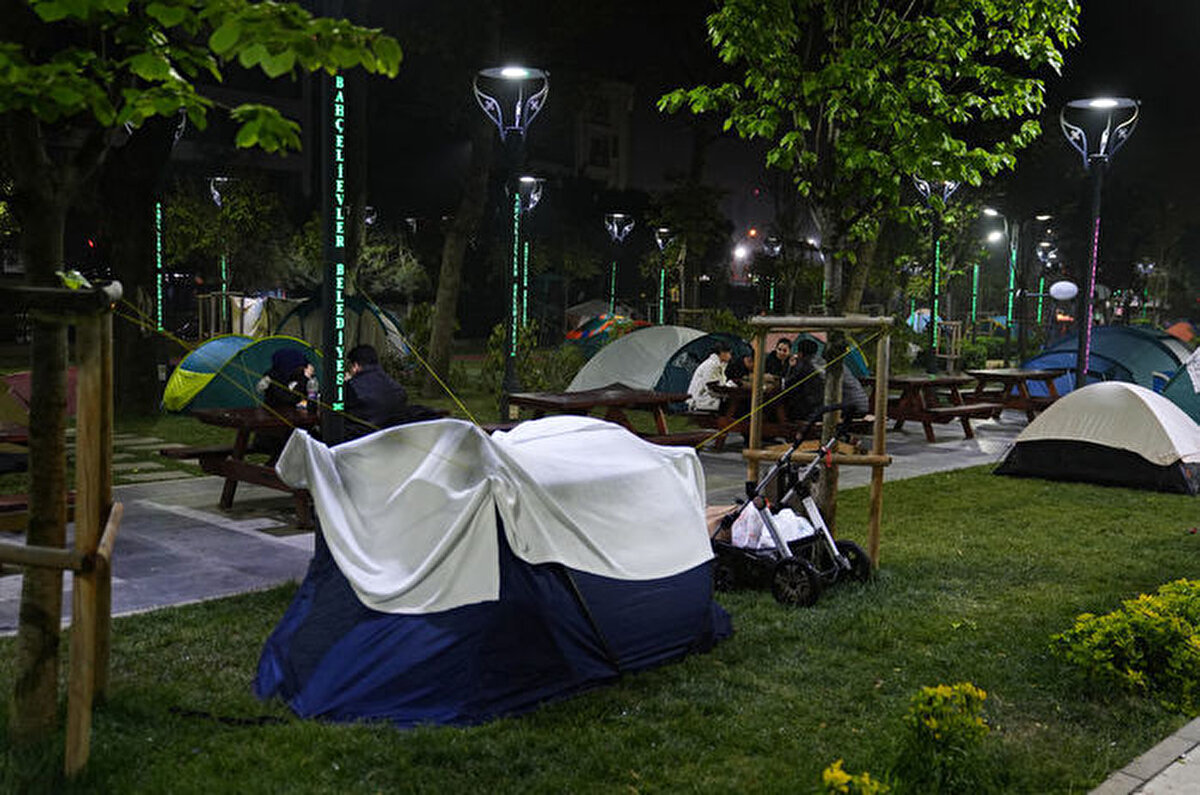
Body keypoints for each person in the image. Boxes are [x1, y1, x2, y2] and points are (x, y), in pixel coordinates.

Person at [343, 343, 409, 440]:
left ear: (356, 366)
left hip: (359, 442)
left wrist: (346, 383)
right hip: (392, 442)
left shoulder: (352, 387)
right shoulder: (397, 388)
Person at [783, 338, 825, 421]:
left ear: (800, 353)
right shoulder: (821, 362)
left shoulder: (804, 365)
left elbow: (788, 384)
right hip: (821, 405)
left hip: (806, 409)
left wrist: (791, 367)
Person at [686, 341, 734, 412]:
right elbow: (711, 389)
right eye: (729, 353)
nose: (730, 356)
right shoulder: (711, 365)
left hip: (706, 398)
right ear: (722, 353)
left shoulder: (718, 365)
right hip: (699, 400)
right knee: (731, 404)